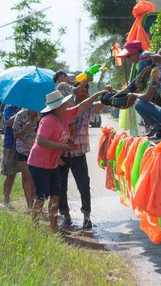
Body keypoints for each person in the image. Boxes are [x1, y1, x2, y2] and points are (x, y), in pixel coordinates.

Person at [28, 88, 105, 231]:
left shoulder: (63, 115)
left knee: (56, 194)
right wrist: (63, 147)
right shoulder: (48, 120)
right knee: (41, 196)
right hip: (39, 163)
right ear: (56, 107)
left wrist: (96, 94)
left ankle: (53, 226)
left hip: (51, 163)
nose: (66, 105)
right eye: (63, 104)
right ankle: (35, 228)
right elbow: (40, 141)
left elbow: (82, 107)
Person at [58, 82, 104, 230]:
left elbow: (100, 105)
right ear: (75, 91)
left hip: (78, 153)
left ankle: (86, 216)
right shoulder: (63, 107)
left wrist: (108, 94)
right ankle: (65, 215)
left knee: (84, 185)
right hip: (61, 153)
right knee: (61, 186)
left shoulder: (88, 107)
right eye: (82, 89)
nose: (85, 91)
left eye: (86, 89)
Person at [11, 108, 38, 212]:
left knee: (35, 177)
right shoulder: (20, 115)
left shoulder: (41, 114)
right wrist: (25, 129)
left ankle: (36, 203)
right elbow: (16, 135)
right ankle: (29, 205)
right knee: (26, 176)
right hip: (23, 149)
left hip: (37, 149)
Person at [0, 104, 21, 208]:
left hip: (24, 144)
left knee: (28, 175)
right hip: (10, 144)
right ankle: (6, 200)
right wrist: (21, 113)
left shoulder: (27, 105)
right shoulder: (10, 107)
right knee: (10, 174)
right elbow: (9, 122)